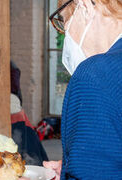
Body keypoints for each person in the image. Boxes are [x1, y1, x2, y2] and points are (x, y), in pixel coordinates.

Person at [44, 0, 122, 179]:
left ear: (84, 6)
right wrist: (74, 167)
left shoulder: (94, 75)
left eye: (63, 22)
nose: (66, 35)